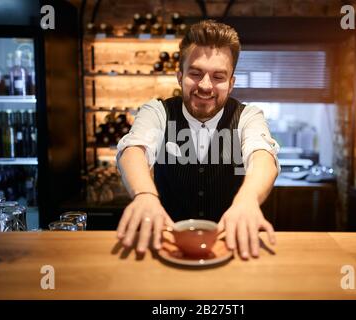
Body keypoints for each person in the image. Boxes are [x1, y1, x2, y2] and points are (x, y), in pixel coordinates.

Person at [116, 20, 280, 260]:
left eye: (218, 76)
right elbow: (133, 149)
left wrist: (247, 199)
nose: (205, 85)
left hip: (232, 246)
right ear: (179, 75)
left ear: (231, 83)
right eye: (195, 73)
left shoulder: (247, 116)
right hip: (167, 247)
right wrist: (145, 195)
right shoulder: (158, 112)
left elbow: (263, 156)